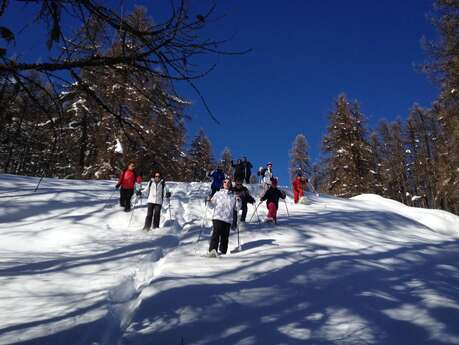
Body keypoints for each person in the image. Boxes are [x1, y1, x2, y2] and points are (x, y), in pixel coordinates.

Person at [208, 177, 241, 256]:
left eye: (228, 182)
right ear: (222, 184)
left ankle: (223, 252)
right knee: (216, 234)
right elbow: (211, 205)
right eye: (225, 182)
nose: (227, 184)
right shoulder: (217, 193)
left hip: (228, 219)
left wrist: (239, 201)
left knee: (225, 237)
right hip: (218, 217)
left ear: (230, 185)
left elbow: (237, 208)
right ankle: (213, 251)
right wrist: (209, 201)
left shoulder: (233, 196)